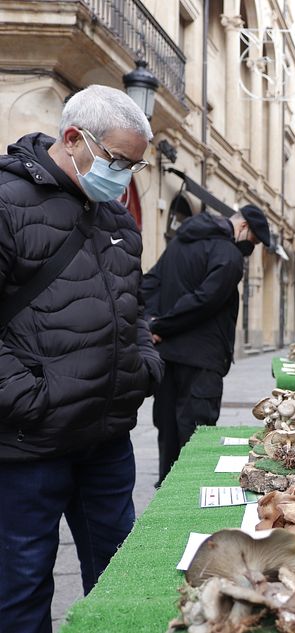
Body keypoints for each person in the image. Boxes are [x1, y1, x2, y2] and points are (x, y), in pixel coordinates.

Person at [0, 84, 163, 633]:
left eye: (134, 166)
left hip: (107, 441)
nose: (124, 177)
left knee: (121, 581)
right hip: (28, 446)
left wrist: (143, 369)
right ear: (73, 138)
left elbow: (133, 308)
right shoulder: (6, 202)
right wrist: (32, 400)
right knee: (21, 589)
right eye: (118, 160)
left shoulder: (118, 221)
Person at [142, 203, 270, 485]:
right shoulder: (230, 256)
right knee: (196, 438)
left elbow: (150, 282)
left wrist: (149, 322)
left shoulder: (180, 242)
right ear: (243, 227)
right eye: (253, 241)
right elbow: (205, 301)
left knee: (168, 431)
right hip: (202, 362)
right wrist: (159, 325)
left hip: (168, 356)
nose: (251, 248)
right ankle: (189, 495)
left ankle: (167, 493)